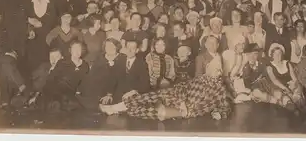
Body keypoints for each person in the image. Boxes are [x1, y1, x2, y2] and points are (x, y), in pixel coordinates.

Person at [99, 36, 231, 122]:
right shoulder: (200, 79)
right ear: (208, 69)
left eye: (218, 69)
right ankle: (116, 108)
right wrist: (181, 101)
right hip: (175, 98)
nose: (217, 72)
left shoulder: (220, 89)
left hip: (184, 111)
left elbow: (225, 105)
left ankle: (119, 108)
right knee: (150, 97)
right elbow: (182, 87)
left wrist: (219, 113)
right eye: (214, 68)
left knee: (152, 112)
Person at [35, 41, 89, 112]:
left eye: (79, 49)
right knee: (60, 106)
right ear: (70, 51)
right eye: (74, 49)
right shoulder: (62, 62)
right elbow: (51, 79)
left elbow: (84, 82)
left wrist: (79, 91)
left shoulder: (85, 65)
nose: (76, 51)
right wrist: (39, 93)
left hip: (71, 93)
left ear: (82, 50)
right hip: (56, 91)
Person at [253, 43, 304, 111]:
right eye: (276, 54)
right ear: (272, 55)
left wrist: (294, 84)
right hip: (278, 86)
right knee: (281, 94)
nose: (278, 56)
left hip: (289, 84)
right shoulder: (269, 66)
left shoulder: (287, 63)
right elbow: (275, 81)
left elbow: (294, 78)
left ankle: (298, 104)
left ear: (282, 54)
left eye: (280, 53)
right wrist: (286, 89)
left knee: (298, 89)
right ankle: (288, 104)